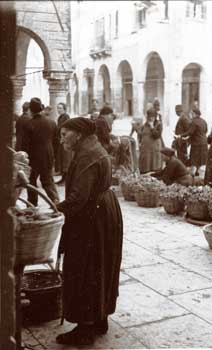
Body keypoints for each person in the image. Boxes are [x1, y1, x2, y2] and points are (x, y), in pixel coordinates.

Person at [55, 117, 123, 347]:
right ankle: (99, 318)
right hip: (105, 211)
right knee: (101, 266)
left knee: (84, 267)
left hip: (92, 217)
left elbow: (78, 199)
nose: (61, 139)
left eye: (65, 134)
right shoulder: (94, 146)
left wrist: (55, 210)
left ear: (79, 134)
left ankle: (85, 329)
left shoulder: (86, 155)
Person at [25, 97, 59, 206]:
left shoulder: (29, 124)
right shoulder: (52, 123)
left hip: (33, 156)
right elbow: (56, 141)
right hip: (48, 155)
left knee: (31, 180)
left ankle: (32, 204)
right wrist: (53, 154)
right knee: (48, 180)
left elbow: (26, 143)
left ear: (31, 109)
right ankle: (56, 203)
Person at [177, 108, 208, 176]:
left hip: (196, 144)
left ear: (195, 114)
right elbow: (206, 130)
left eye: (191, 113)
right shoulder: (204, 121)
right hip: (204, 143)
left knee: (194, 159)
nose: (191, 115)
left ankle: (192, 175)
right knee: (200, 159)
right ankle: (197, 171)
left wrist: (180, 135)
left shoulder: (193, 122)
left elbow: (190, 132)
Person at [138, 107, 163, 173]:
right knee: (145, 166)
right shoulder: (145, 124)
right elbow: (141, 134)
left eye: (152, 117)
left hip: (154, 150)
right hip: (145, 150)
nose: (150, 118)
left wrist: (152, 127)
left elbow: (157, 136)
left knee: (154, 166)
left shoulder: (158, 124)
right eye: (149, 117)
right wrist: (140, 142)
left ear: (155, 117)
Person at [55, 102, 72, 184]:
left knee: (66, 160)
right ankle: (63, 178)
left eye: (60, 108)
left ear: (64, 109)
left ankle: (66, 180)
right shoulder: (60, 117)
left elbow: (66, 129)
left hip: (65, 141)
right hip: (61, 141)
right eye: (58, 108)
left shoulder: (66, 117)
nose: (58, 110)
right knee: (62, 159)